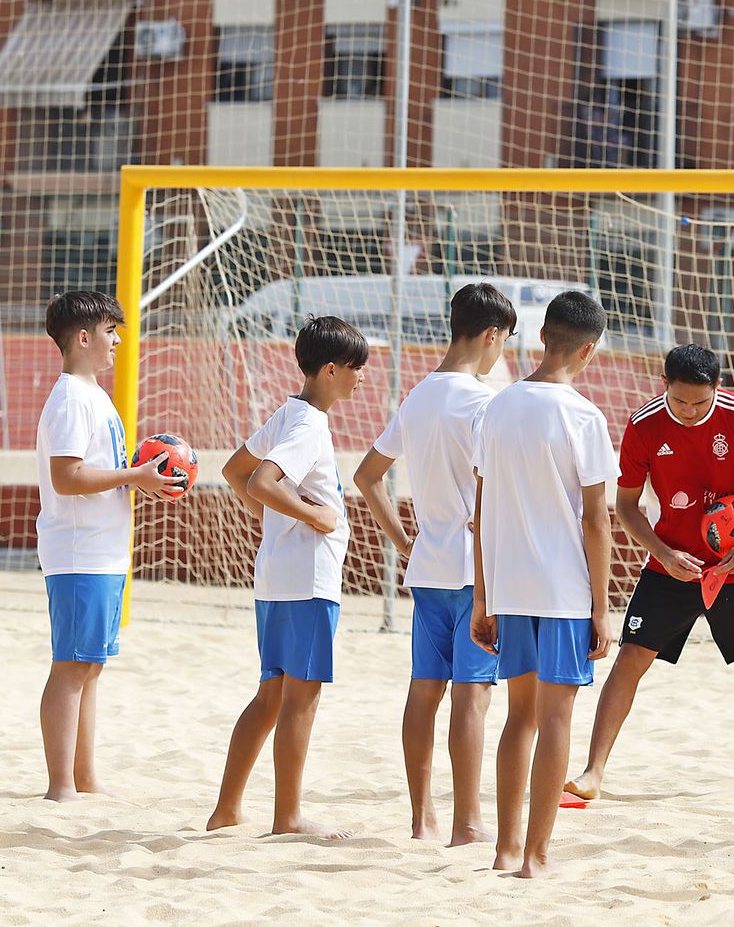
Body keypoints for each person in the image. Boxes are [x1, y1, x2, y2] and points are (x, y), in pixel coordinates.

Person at [565, 343, 734, 802]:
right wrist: (662, 552)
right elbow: (626, 506)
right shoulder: (643, 425)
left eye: (701, 401)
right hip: (671, 563)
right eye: (680, 401)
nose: (691, 411)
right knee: (629, 659)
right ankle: (593, 772)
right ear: (664, 386)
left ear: (717, 388)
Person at [353, 283, 517, 846]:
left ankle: (422, 819)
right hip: (477, 574)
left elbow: (366, 475)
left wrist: (403, 541)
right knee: (473, 695)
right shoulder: (484, 402)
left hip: (427, 570)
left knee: (425, 690)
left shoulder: (417, 395)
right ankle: (467, 824)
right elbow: (495, 486)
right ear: (492, 334)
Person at [469, 290, 619, 878]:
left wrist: (484, 596)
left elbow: (480, 510)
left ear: (539, 340)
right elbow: (597, 520)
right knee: (556, 719)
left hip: (509, 585)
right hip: (561, 590)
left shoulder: (496, 407)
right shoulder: (583, 415)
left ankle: (506, 849)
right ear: (589, 350)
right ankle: (536, 856)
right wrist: (601, 608)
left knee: (519, 717)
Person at [206, 316, 369, 839]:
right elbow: (258, 480)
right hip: (307, 580)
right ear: (329, 369)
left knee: (271, 694)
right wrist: (311, 515)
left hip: (277, 577)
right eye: (354, 368)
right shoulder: (308, 425)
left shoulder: (288, 412)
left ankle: (228, 807)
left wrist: (274, 517)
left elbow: (234, 471)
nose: (361, 377)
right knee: (302, 695)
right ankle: (288, 816)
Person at [36, 290, 180, 802]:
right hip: (79, 552)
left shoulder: (93, 395)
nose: (118, 340)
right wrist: (138, 474)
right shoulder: (72, 398)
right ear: (82, 337)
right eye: (110, 331)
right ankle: (59, 787)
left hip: (102, 551)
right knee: (71, 666)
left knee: (90, 667)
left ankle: (84, 778)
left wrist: (141, 478)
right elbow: (67, 477)